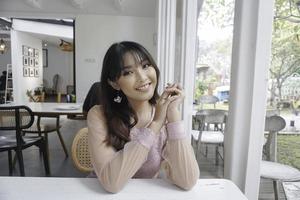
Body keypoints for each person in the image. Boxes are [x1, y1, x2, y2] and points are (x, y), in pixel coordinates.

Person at [87, 41, 199, 193]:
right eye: (128, 72)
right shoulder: (99, 115)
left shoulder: (166, 114)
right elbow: (111, 183)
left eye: (145, 65)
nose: (142, 77)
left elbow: (187, 180)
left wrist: (173, 115)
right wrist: (156, 124)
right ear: (114, 83)